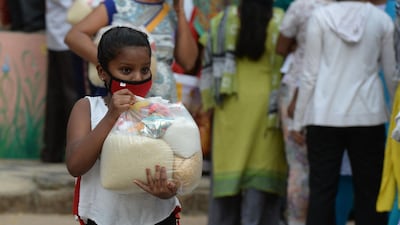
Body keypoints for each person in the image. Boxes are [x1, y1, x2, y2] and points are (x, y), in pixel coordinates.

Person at [290, 1, 398, 225]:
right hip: (369, 115)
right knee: (369, 192)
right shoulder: (381, 21)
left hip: (323, 115)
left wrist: (298, 121)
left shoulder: (320, 18)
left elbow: (309, 75)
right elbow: (391, 75)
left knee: (322, 190)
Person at [66, 26, 181, 225]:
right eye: (126, 70)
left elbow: (179, 168)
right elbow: (75, 165)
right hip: (104, 218)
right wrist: (112, 116)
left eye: (144, 69)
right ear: (102, 72)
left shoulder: (159, 111)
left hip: (157, 217)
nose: (137, 77)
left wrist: (168, 190)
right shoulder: (88, 109)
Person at [199, 0, 288, 224]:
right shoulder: (280, 21)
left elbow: (206, 62)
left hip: (231, 108)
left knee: (229, 178)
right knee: (262, 178)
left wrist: (207, 105)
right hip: (269, 110)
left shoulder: (220, 22)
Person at [64, 0, 198, 103]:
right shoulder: (117, 5)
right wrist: (116, 68)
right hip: (121, 102)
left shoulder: (172, 12)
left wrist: (180, 12)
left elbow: (188, 62)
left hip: (160, 104)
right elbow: (74, 36)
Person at [275, 0, 331, 224]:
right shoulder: (338, 7)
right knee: (325, 167)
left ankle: (297, 221)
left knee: (298, 167)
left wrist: (298, 46)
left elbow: (280, 47)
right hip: (331, 94)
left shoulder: (301, 6)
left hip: (297, 88)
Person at [41, 0, 85, 163]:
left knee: (58, 94)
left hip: (61, 33)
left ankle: (52, 151)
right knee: (70, 95)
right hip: (70, 36)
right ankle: (73, 151)